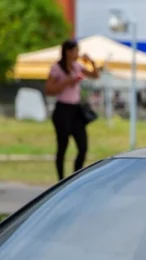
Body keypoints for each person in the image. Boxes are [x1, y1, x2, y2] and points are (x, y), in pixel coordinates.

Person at [44, 40, 100, 180]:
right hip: (63, 108)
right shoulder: (56, 68)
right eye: (75, 51)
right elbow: (49, 90)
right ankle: (61, 179)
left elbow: (95, 75)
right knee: (62, 146)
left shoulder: (77, 66)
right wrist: (66, 82)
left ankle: (76, 176)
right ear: (68, 52)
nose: (77, 54)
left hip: (75, 109)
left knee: (82, 146)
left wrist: (91, 62)